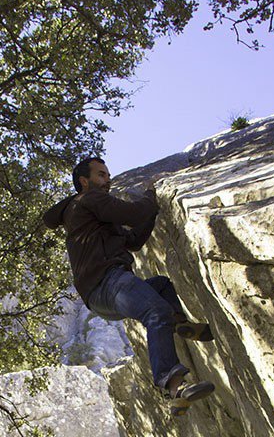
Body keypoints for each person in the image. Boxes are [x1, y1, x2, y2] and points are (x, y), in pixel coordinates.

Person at [43, 157, 215, 414]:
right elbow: (133, 214)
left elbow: (133, 240)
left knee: (161, 285)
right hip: (108, 282)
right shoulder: (88, 200)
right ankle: (173, 388)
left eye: (108, 175)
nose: (107, 180)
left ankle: (180, 323)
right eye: (101, 175)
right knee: (155, 311)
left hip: (102, 297)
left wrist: (152, 211)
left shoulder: (92, 218)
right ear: (84, 182)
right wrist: (150, 194)